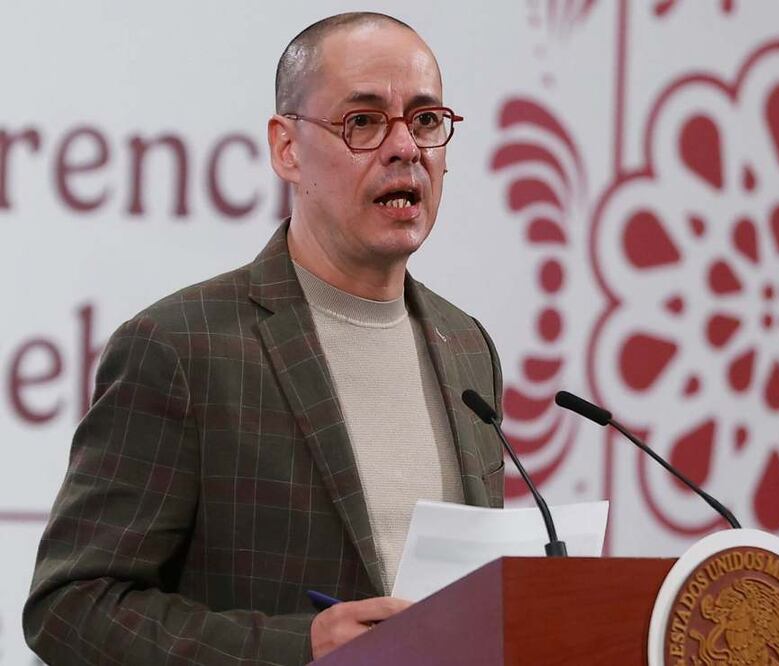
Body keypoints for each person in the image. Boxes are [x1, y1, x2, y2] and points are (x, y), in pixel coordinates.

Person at [23, 12, 504, 665]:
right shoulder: (181, 348)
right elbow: (71, 607)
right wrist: (296, 647)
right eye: (362, 122)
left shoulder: (465, 345)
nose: (405, 148)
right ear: (286, 147)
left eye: (424, 121)